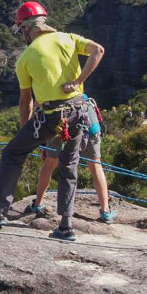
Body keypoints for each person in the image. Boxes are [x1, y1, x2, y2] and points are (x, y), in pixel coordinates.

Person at [0, 1, 104, 241]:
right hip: (78, 111)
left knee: (13, 153)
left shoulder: (25, 58)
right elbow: (98, 50)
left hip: (50, 116)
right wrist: (78, 82)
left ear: (25, 28)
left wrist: (25, 130)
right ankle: (65, 227)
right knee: (69, 166)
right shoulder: (68, 38)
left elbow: (25, 101)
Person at [28, 94, 117, 223]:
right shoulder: (73, 78)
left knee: (50, 163)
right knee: (95, 165)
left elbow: (38, 103)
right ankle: (105, 211)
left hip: (60, 118)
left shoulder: (45, 84)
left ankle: (38, 204)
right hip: (86, 116)